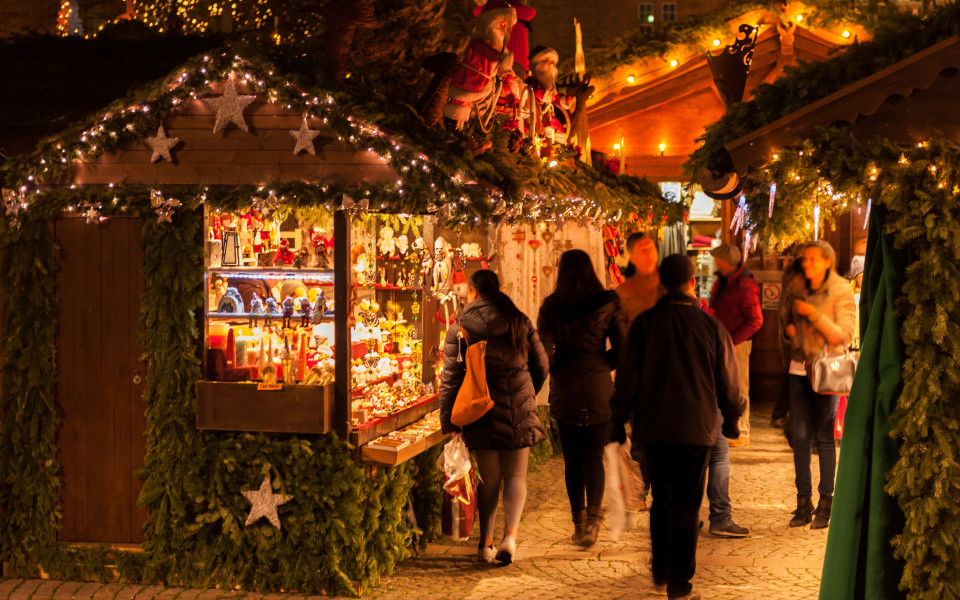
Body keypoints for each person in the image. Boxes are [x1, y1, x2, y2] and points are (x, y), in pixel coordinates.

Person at [612, 254, 744, 600]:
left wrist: (618, 420)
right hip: (695, 429)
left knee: (661, 500)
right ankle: (679, 582)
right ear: (691, 283)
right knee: (687, 505)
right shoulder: (710, 326)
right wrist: (731, 419)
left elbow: (627, 378)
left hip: (653, 428)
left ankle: (660, 565)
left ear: (662, 283)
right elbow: (729, 379)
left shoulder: (643, 324)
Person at [439, 269, 549, 564]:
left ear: (474, 292)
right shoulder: (520, 320)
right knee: (516, 475)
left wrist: (449, 421)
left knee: (489, 478)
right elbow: (541, 365)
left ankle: (484, 544)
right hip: (519, 405)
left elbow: (450, 376)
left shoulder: (461, 325)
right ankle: (510, 538)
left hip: (480, 407)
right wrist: (528, 393)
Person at [537, 250, 626, 547]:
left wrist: (559, 364)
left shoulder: (551, 306)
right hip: (599, 385)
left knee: (572, 459)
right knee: (593, 456)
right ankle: (593, 525)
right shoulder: (610, 302)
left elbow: (543, 353)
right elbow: (625, 348)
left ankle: (578, 524)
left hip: (566, 385)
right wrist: (602, 362)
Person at [781, 240, 856, 530]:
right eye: (804, 259)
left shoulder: (841, 291)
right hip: (799, 370)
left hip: (827, 371)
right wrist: (793, 333)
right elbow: (785, 323)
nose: (807, 264)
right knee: (800, 437)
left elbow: (845, 335)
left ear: (827, 261)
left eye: (812, 259)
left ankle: (827, 503)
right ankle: (803, 503)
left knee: (824, 436)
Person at [708, 244, 762, 447]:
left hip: (737, 343)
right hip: (723, 341)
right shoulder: (724, 282)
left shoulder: (744, 285)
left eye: (717, 259)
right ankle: (728, 429)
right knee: (725, 383)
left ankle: (742, 432)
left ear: (724, 262)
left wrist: (733, 341)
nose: (715, 262)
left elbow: (756, 319)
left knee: (739, 385)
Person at [616, 232, 662, 324]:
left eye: (651, 247)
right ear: (632, 258)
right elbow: (620, 329)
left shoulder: (671, 280)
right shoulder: (624, 291)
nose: (649, 252)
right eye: (643, 250)